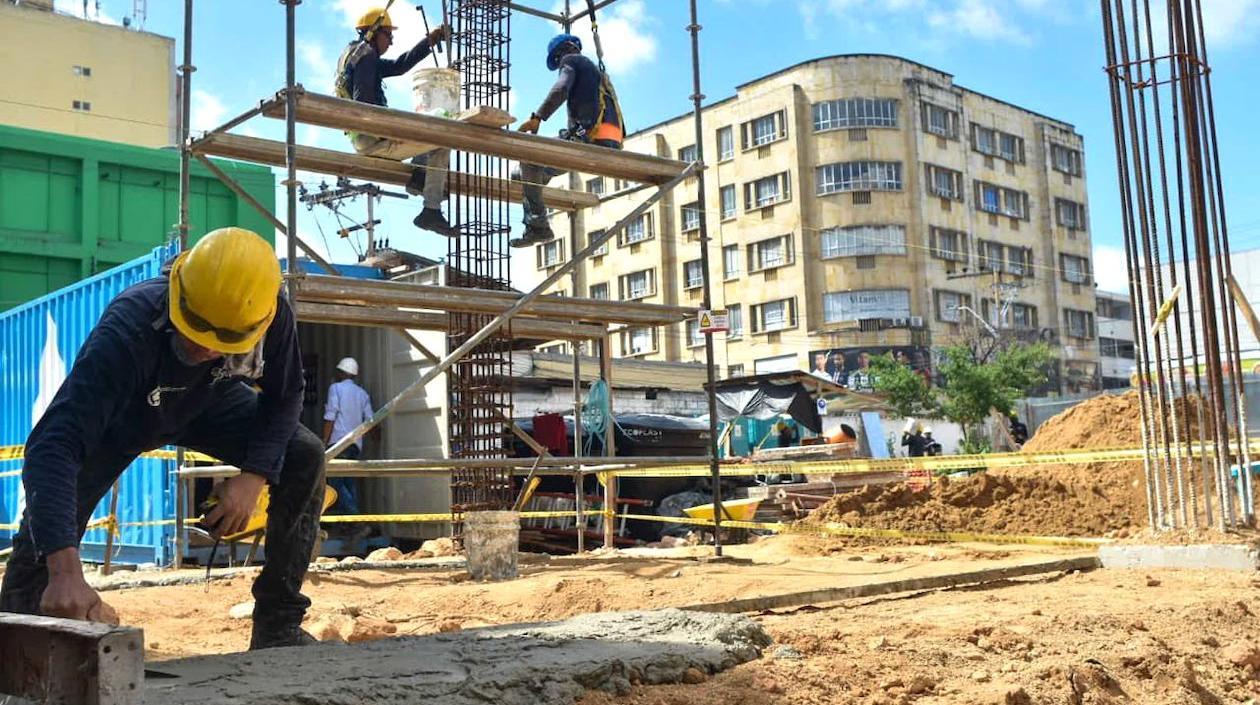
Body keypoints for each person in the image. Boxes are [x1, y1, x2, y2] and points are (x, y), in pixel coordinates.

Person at [0, 228, 325, 650]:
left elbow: (287, 394)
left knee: (304, 455)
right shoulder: (129, 326)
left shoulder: (268, 313)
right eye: (194, 329)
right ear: (178, 294)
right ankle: (15, 650)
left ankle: (278, 626)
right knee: (40, 557)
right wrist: (64, 571)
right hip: (120, 420)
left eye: (219, 340)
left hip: (207, 402)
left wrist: (254, 476)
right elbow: (53, 445)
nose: (203, 348)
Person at [335, 8, 454, 236]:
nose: (391, 42)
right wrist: (396, 126)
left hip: (363, 138)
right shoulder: (367, 55)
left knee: (426, 131)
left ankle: (420, 178)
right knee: (442, 136)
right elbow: (365, 106)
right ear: (373, 32)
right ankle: (431, 209)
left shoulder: (357, 55)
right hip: (372, 137)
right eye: (388, 35)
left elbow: (400, 66)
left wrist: (429, 41)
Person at [512, 33, 626, 248]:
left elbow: (561, 88)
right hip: (611, 143)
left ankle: (538, 226)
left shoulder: (572, 61)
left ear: (561, 53)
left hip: (589, 140)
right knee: (523, 175)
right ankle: (535, 220)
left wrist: (538, 117)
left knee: (528, 157)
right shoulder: (598, 73)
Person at [322, 357, 375, 517]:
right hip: (354, 445)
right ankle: (352, 523)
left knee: (335, 483)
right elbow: (371, 420)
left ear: (341, 373)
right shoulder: (362, 394)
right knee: (349, 482)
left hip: (338, 443)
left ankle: (354, 517)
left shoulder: (335, 388)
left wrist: (324, 441)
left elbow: (330, 416)